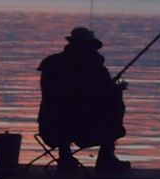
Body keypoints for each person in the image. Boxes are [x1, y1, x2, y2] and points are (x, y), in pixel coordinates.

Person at [37, 26, 131, 171]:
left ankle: (65, 156)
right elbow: (96, 97)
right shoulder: (95, 68)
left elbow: (55, 95)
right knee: (115, 102)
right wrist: (117, 89)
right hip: (84, 128)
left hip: (50, 126)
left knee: (60, 110)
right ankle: (106, 157)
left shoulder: (51, 64)